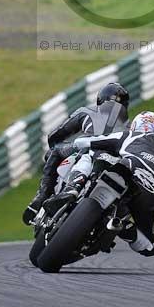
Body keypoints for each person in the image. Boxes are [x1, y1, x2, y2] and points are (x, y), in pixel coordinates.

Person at [22, 82, 130, 225]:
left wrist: (53, 149)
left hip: (87, 149)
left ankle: (41, 197)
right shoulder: (130, 128)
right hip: (115, 162)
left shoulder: (87, 112)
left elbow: (56, 135)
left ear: (100, 99)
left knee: (55, 151)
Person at [71, 110, 154, 257]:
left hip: (123, 172)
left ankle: (74, 186)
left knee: (90, 152)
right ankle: (123, 227)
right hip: (147, 199)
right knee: (153, 247)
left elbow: (85, 142)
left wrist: (71, 146)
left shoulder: (129, 135)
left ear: (135, 126)